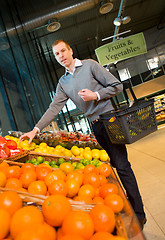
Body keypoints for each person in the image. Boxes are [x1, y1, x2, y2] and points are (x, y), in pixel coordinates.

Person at [19, 39, 146, 229]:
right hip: (95, 126)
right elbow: (54, 108)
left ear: (70, 50)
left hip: (109, 121)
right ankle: (125, 205)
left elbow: (117, 86)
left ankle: (138, 213)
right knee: (114, 166)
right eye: (57, 54)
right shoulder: (63, 82)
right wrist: (35, 130)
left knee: (121, 165)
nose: (61, 56)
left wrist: (96, 95)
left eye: (63, 51)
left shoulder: (90, 66)